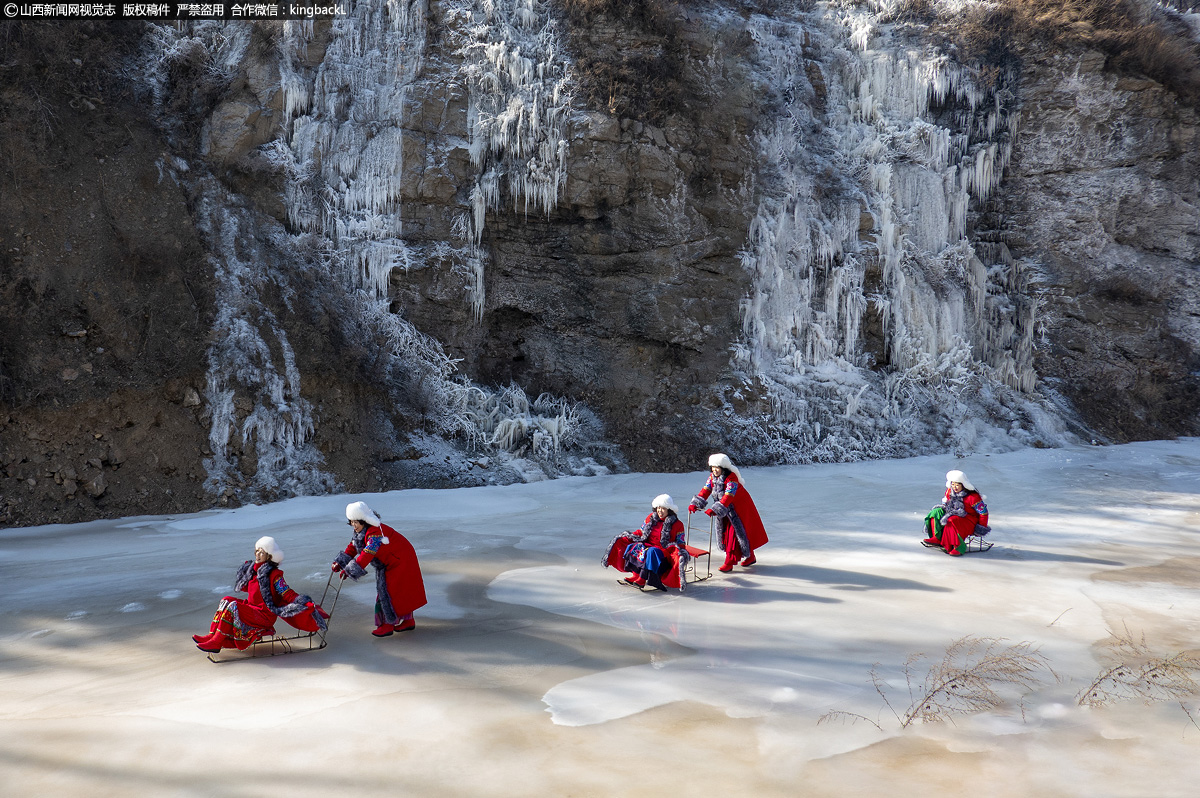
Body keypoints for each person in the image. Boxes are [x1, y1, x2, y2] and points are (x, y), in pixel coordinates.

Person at [192, 536, 328, 653]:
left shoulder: (274, 575)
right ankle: (212, 635)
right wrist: (245, 573)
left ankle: (217, 642)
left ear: (269, 556)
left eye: (261, 552)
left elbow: (286, 593)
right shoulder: (254, 572)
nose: (257, 554)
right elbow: (249, 589)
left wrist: (302, 602)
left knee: (233, 606)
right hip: (252, 609)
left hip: (264, 615)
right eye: (256, 550)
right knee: (226, 600)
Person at [333, 501, 427, 637]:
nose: (353, 525)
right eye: (351, 522)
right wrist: (341, 562)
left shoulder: (375, 533)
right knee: (396, 592)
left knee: (389, 593)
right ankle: (407, 621)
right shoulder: (361, 531)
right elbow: (354, 546)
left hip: (400, 561)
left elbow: (367, 553)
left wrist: (350, 570)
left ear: (363, 520)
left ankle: (387, 625)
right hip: (393, 560)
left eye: (356, 522)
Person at [689, 453, 768, 572]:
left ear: (723, 468)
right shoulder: (712, 477)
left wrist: (715, 508)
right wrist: (696, 502)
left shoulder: (731, 478)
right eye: (713, 467)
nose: (715, 470)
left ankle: (729, 561)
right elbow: (706, 489)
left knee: (736, 533)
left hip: (738, 508)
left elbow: (729, 495)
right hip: (725, 508)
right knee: (728, 532)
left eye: (717, 467)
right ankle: (750, 556)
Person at [603, 494, 689, 591]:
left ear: (669, 509)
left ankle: (642, 579)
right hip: (649, 546)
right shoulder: (651, 518)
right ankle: (636, 575)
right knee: (635, 546)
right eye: (658, 508)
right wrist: (629, 536)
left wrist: (681, 554)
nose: (660, 511)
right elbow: (642, 532)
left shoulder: (678, 524)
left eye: (663, 508)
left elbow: (680, 542)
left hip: (664, 552)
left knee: (651, 552)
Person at [922, 469, 990, 556]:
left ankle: (958, 546)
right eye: (953, 484)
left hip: (969, 519)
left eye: (957, 485)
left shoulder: (973, 497)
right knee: (935, 512)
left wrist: (981, 528)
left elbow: (983, 513)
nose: (955, 487)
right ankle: (937, 537)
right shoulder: (950, 492)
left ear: (963, 485)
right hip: (952, 513)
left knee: (952, 519)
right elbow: (946, 503)